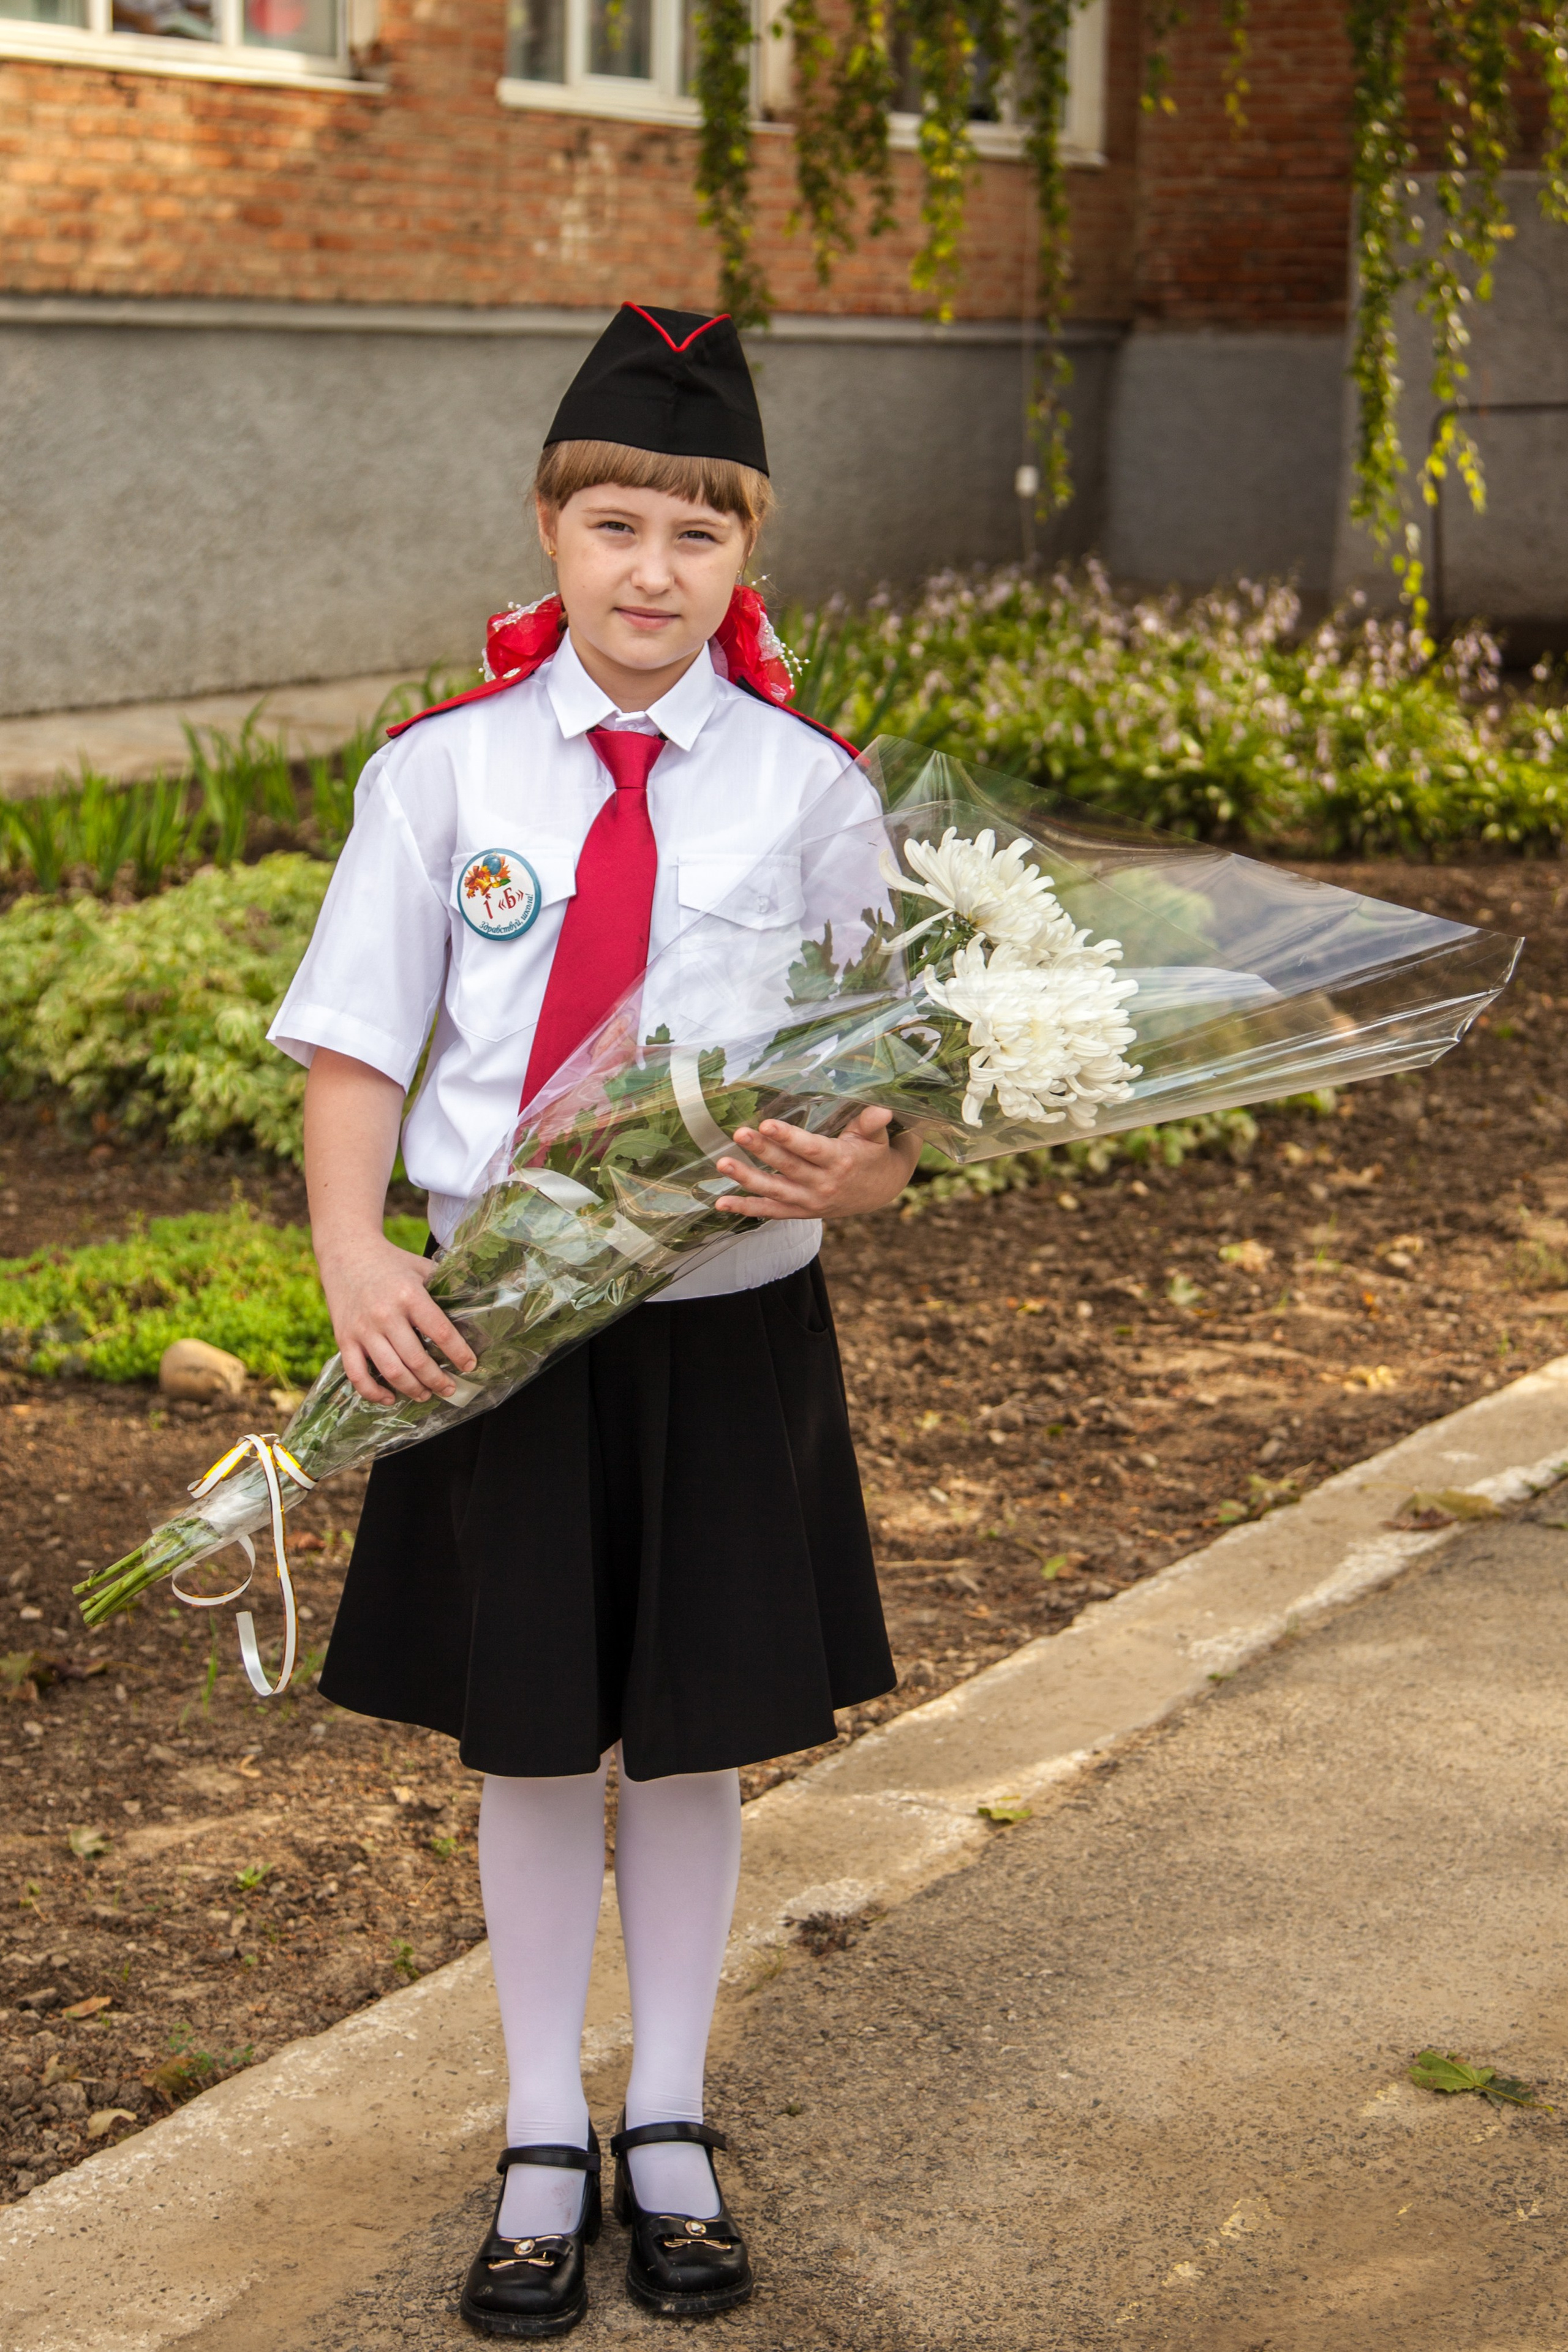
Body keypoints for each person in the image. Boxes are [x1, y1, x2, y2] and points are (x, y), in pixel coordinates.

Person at [268, 302, 914, 2335]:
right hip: (495, 1335)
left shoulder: (812, 790)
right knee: (538, 1741)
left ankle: (673, 2119)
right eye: (615, 522)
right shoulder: (440, 778)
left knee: (699, 1741)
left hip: (728, 1324)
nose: (652, 570)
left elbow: (895, 1098)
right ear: (552, 531)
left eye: (695, 535)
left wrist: (865, 1172)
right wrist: (359, 1259)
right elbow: (362, 1049)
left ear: (749, 558)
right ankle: (543, 2125)